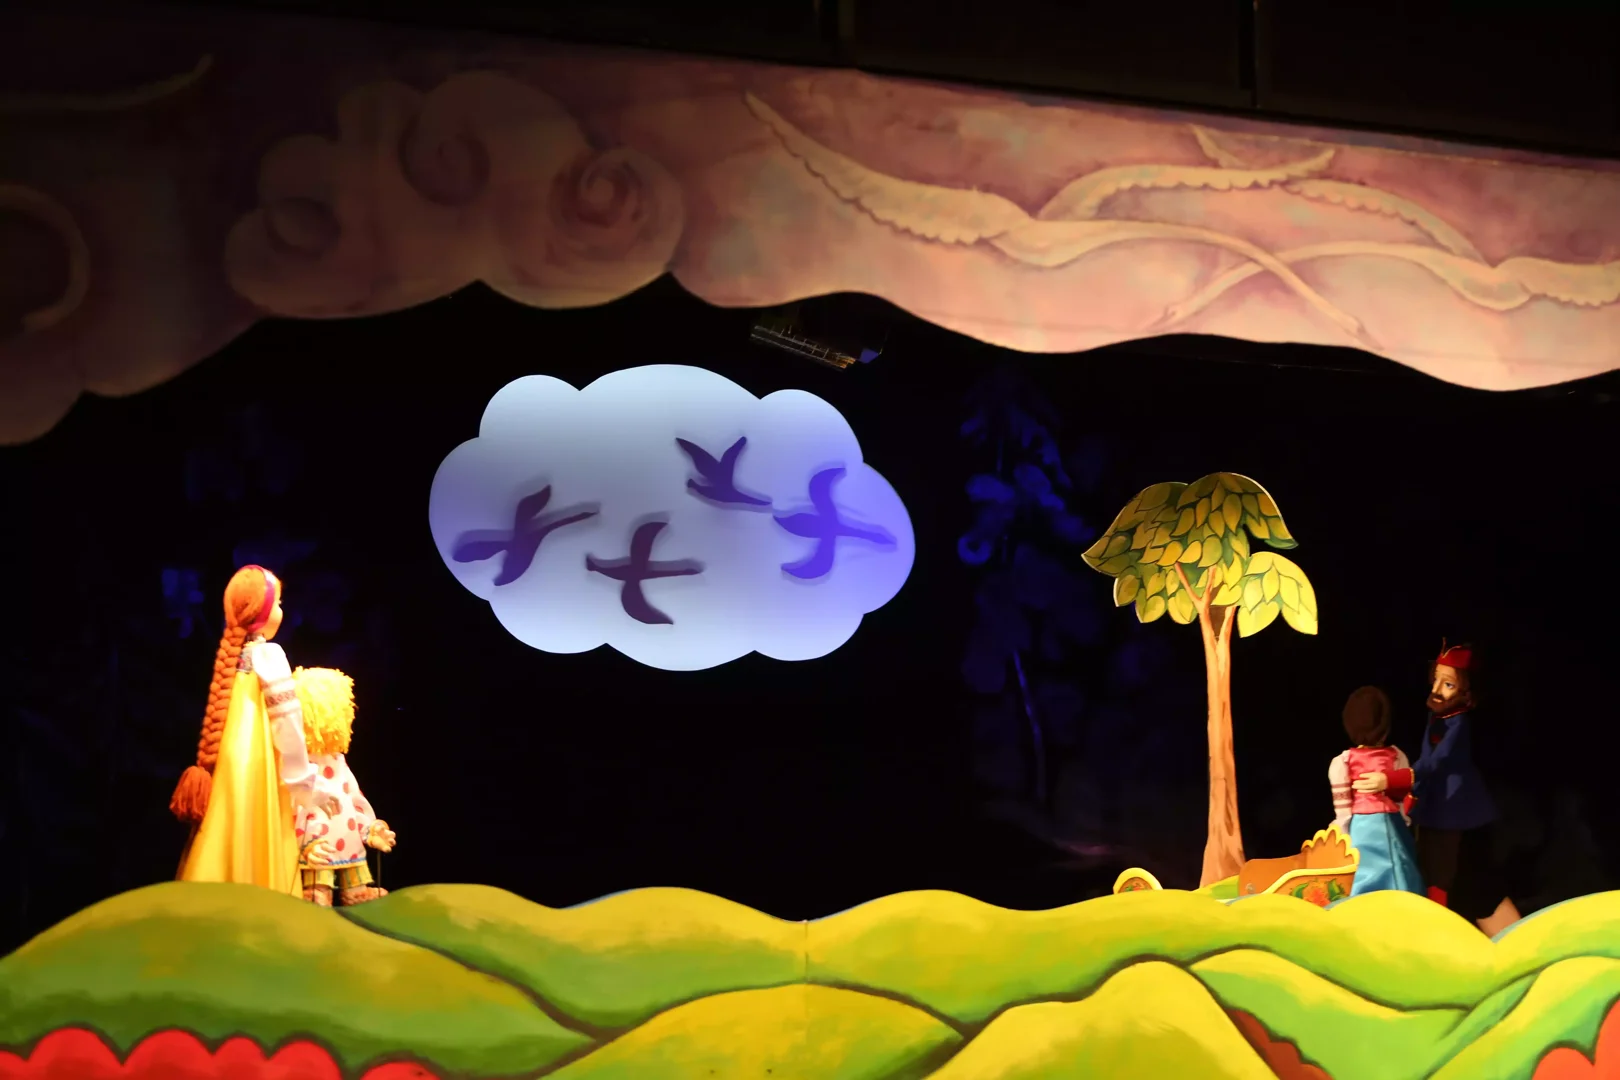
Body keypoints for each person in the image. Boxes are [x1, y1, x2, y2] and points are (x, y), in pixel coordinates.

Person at [170, 565, 339, 895]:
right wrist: (305, 783)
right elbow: (287, 723)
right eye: (278, 603)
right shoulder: (269, 655)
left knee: (227, 828)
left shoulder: (231, 658)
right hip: (258, 768)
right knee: (255, 834)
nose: (281, 610)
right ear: (261, 613)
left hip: (230, 768)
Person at [1353, 642, 1522, 934]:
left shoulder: (1459, 725)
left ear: (1466, 692)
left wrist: (1394, 780)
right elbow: (1426, 759)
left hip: (1457, 812)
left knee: (1466, 884)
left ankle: (1513, 941)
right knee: (1435, 876)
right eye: (1436, 680)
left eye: (1448, 684)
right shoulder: (1436, 717)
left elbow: (1437, 762)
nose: (1437, 690)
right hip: (1435, 809)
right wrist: (1412, 792)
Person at [288, 665, 397, 906]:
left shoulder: (338, 760)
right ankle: (317, 892)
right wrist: (302, 844)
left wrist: (371, 829)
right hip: (315, 839)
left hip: (347, 836)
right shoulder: (298, 764)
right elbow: (291, 804)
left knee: (353, 863)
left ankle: (356, 892)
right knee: (319, 875)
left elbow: (354, 798)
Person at [1329, 686, 1424, 896]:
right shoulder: (1397, 756)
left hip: (1362, 829)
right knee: (1399, 872)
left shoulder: (1342, 762)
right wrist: (1404, 822)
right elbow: (1402, 801)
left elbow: (1343, 812)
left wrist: (1343, 833)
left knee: (1364, 876)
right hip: (1391, 823)